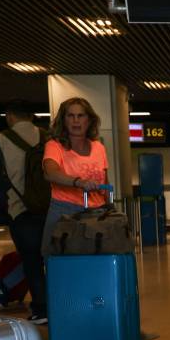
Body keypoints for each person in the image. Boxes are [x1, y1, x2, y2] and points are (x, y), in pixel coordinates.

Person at [0, 100, 49, 324]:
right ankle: (61, 302)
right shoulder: (48, 137)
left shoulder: (1, 140)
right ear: (32, 116)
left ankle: (41, 309)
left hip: (20, 209)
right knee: (53, 258)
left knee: (31, 260)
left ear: (10, 116)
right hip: (50, 207)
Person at [40, 98, 109, 252]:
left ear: (89, 120)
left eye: (81, 115)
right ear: (63, 120)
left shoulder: (98, 147)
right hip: (64, 212)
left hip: (97, 212)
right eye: (70, 116)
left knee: (96, 261)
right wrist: (79, 182)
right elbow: (50, 173)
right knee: (57, 261)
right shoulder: (54, 146)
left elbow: (104, 181)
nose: (76, 121)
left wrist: (108, 208)